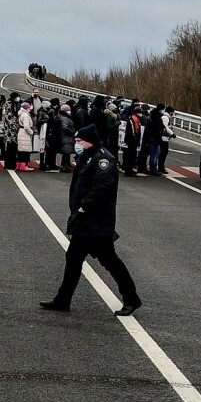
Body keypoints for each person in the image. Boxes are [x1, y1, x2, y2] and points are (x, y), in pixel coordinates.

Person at [40, 124, 141, 317]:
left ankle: (131, 298)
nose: (76, 144)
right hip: (84, 222)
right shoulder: (87, 156)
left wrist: (84, 205)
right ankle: (63, 299)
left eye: (79, 141)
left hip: (96, 223)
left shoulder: (103, 159)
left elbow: (104, 186)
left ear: (90, 141)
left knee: (110, 261)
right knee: (73, 259)